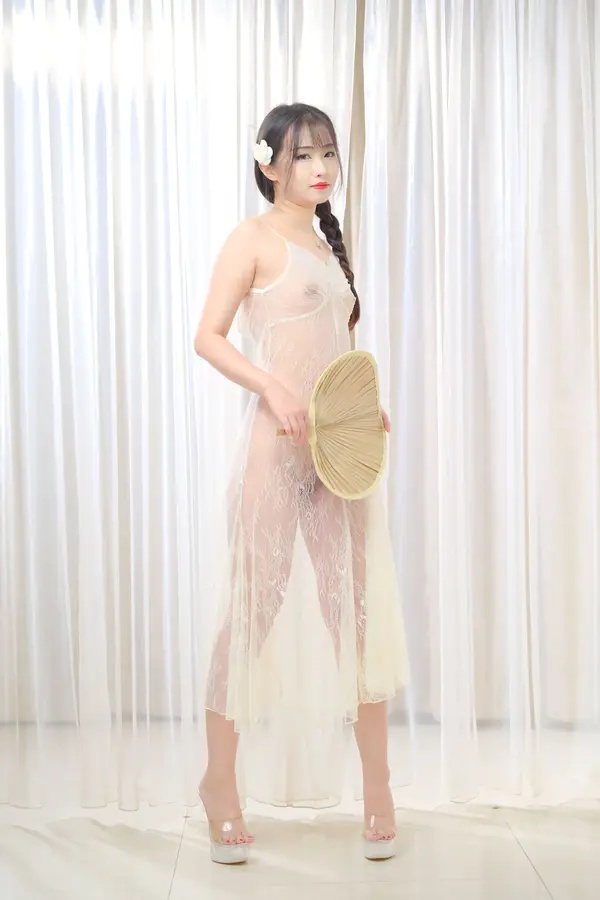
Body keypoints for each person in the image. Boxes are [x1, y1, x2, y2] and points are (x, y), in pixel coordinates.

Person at [194, 103, 408, 865]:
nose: (320, 168)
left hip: (339, 456)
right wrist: (272, 388)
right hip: (275, 451)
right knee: (254, 610)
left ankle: (379, 787)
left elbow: (334, 350)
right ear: (269, 165)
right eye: (303, 155)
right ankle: (219, 784)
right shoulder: (251, 239)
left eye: (328, 153)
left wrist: (360, 405)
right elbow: (208, 336)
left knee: (357, 617)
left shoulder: (326, 243)